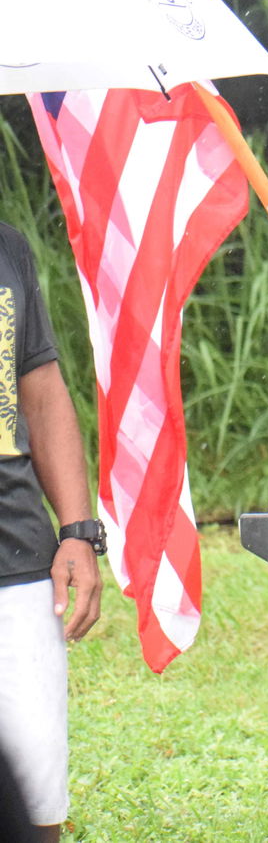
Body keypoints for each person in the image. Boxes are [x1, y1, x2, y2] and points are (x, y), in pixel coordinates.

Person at [0, 222, 102, 843]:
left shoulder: (8, 246)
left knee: (36, 812)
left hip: (15, 560)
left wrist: (77, 532)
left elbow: (40, 389)